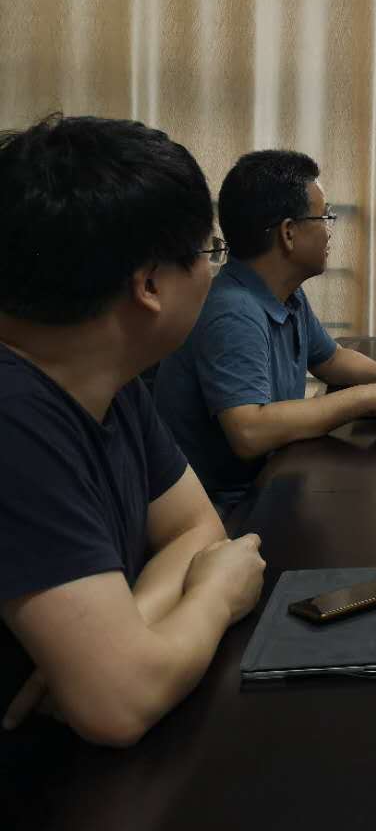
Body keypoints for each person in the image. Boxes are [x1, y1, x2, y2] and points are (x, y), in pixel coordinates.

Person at [0, 115, 266, 750]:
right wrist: (217, 593)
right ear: (149, 284)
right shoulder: (14, 418)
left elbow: (196, 528)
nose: (213, 272)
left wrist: (132, 633)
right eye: (209, 253)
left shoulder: (110, 381)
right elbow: (119, 703)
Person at [155, 151, 376, 505]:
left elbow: (330, 358)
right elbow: (249, 432)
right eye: (325, 216)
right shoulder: (233, 311)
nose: (330, 229)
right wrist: (366, 398)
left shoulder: (285, 293)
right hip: (227, 510)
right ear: (289, 233)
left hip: (272, 479)